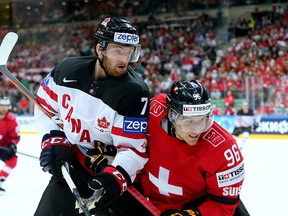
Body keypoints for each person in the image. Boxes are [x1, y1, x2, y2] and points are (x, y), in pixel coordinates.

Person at [33, 16, 150, 216]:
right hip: (74, 165)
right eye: (118, 51)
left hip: (109, 172)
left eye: (130, 52)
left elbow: (133, 149)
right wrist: (53, 139)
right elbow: (45, 107)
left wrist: (115, 176)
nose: (124, 59)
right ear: (99, 49)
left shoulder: (133, 92)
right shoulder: (66, 70)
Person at [108, 80, 249, 216]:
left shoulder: (224, 149)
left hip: (200, 206)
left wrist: (191, 214)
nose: (196, 130)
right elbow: (127, 142)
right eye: (187, 121)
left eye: (202, 120)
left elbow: (224, 204)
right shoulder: (152, 111)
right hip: (148, 201)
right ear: (171, 115)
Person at [0, 96, 20, 194]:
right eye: (1, 105)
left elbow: (15, 137)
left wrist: (12, 145)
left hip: (3, 147)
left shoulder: (12, 120)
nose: (3, 108)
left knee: (13, 160)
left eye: (6, 105)